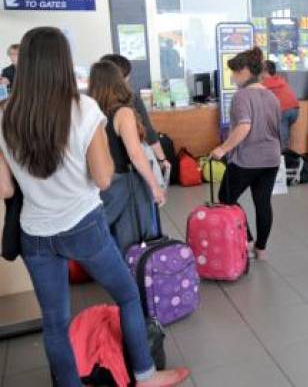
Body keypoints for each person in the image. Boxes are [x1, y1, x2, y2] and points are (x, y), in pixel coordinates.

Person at [0, 27, 188, 387]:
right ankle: (145, 375)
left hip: (34, 234)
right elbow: (103, 179)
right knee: (128, 296)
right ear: (63, 64)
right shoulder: (83, 109)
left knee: (55, 322)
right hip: (83, 225)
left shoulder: (5, 114)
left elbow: (5, 189)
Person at [211, 47, 281, 260]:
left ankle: (247, 240)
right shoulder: (272, 96)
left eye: (234, 72)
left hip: (247, 160)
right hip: (271, 158)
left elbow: (244, 126)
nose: (232, 77)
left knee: (226, 197)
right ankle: (261, 249)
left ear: (244, 71)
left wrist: (223, 149)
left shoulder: (242, 96)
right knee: (263, 202)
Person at [88, 61, 165, 251]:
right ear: (118, 81)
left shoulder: (89, 112)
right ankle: (134, 276)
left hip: (100, 180)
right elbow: (135, 154)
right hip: (126, 181)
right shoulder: (123, 112)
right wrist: (154, 185)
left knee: (107, 234)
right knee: (134, 238)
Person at [100, 54, 170, 175]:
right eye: (127, 74)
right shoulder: (130, 100)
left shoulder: (90, 103)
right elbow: (148, 132)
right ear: (119, 77)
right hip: (128, 172)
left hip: (101, 172)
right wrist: (162, 159)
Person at [262, 60, 299, 150]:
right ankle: (284, 158)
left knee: (281, 142)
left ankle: (283, 161)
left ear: (265, 72)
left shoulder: (265, 83)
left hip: (283, 111)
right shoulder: (280, 79)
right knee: (284, 137)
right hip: (295, 110)